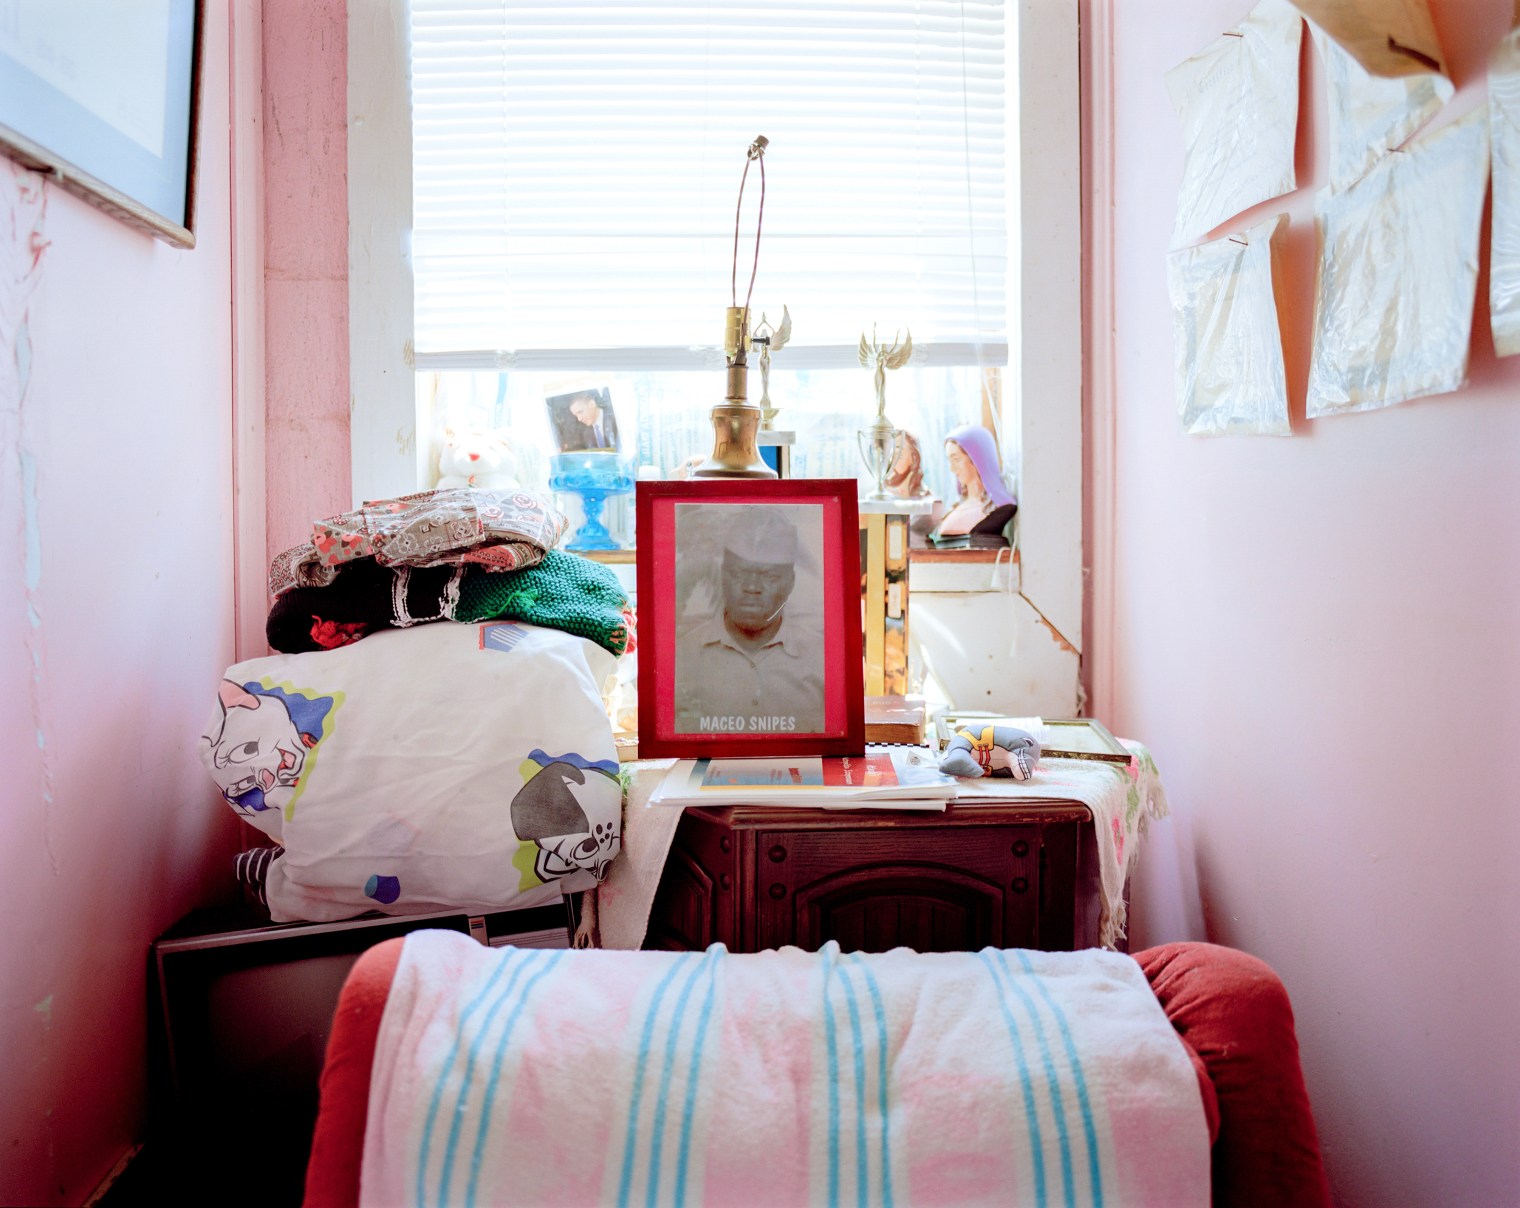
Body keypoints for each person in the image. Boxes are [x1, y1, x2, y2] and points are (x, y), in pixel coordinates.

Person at [674, 508, 825, 735]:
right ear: (723, 575)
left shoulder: (822, 659)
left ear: (790, 583)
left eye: (770, 577)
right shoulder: (683, 655)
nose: (752, 587)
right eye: (738, 574)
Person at [927, 423, 1016, 542]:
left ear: (977, 459)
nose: (952, 469)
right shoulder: (956, 508)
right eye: (949, 460)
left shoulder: (999, 509)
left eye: (956, 459)